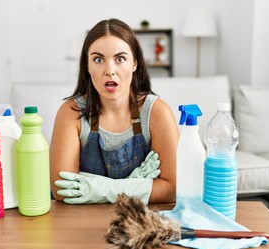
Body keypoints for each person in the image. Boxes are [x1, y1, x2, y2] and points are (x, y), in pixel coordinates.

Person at [50, 18, 179, 204]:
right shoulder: (71, 112)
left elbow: (172, 189)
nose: (110, 70)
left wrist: (104, 189)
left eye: (120, 59)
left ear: (134, 63)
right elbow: (62, 190)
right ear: (87, 66)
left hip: (139, 221)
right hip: (83, 222)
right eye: (98, 59)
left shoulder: (157, 112)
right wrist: (137, 186)